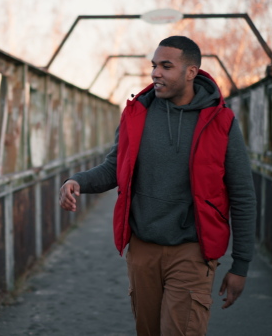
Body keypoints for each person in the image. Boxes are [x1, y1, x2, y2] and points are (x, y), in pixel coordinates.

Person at [59, 35, 256, 336]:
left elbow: (243, 195)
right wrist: (77, 181)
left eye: (166, 66)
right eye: (154, 66)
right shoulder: (136, 114)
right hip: (142, 250)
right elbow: (115, 168)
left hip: (193, 250)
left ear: (191, 72)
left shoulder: (221, 121)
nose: (155, 73)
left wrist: (240, 265)